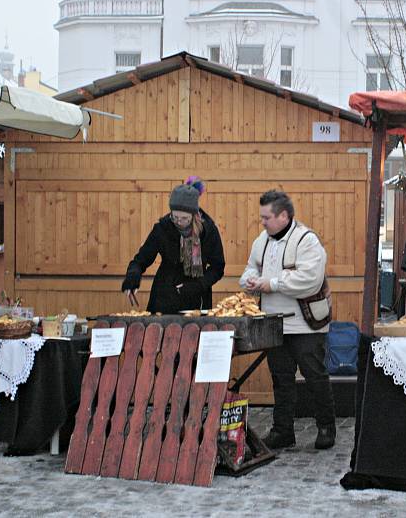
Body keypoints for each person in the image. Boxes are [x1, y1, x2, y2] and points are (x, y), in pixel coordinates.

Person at [240, 190, 336, 450]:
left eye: (266, 217)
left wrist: (271, 283)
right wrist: (248, 279)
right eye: (261, 217)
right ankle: (283, 430)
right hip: (274, 322)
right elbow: (252, 266)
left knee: (314, 376)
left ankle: (326, 427)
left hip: (305, 324)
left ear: (283, 216)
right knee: (281, 379)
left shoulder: (307, 241)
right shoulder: (262, 240)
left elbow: (309, 280)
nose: (262, 222)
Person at [122, 177, 225, 314]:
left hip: (197, 298)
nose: (179, 222)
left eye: (184, 219)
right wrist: (132, 277)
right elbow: (140, 261)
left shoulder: (208, 230)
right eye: (175, 217)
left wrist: (198, 285)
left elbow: (218, 267)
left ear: (194, 215)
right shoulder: (162, 228)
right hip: (165, 297)